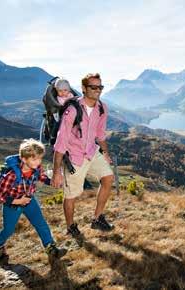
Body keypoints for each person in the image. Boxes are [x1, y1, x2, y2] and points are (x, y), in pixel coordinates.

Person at [51, 73, 115, 237]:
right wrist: (57, 172)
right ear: (84, 89)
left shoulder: (101, 108)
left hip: (92, 152)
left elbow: (100, 134)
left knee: (108, 177)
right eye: (93, 87)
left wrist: (105, 153)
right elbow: (61, 142)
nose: (97, 90)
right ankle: (71, 226)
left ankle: (97, 218)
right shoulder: (72, 110)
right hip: (74, 157)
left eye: (100, 87)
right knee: (71, 195)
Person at [0, 139, 67, 260]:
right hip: (13, 206)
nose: (38, 162)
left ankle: (51, 248)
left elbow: (41, 177)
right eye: (35, 159)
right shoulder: (12, 175)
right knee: (8, 230)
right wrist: (18, 201)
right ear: (24, 159)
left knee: (41, 224)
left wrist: (51, 182)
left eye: (40, 158)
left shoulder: (36, 168)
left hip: (30, 201)